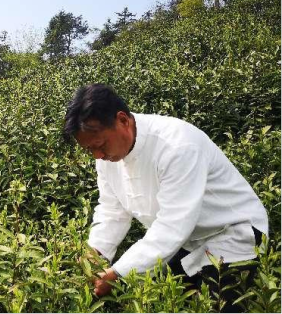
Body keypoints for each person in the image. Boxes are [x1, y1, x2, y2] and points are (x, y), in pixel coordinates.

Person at [63, 84, 268, 313]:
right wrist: (95, 254)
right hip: (187, 241)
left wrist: (116, 272)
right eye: (90, 150)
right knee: (155, 299)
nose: (97, 156)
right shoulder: (106, 159)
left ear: (123, 120)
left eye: (100, 145)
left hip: (232, 235)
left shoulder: (177, 145)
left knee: (218, 305)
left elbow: (172, 225)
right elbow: (113, 211)